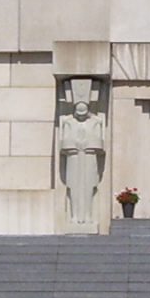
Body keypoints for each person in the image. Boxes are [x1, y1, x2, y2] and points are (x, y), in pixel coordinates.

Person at [59, 89, 107, 225]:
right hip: (74, 158)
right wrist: (75, 144)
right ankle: (74, 216)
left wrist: (87, 144)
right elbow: (64, 143)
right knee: (73, 187)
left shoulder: (96, 121)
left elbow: (99, 143)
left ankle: (87, 215)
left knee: (89, 187)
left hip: (89, 157)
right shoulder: (68, 122)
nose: (81, 116)